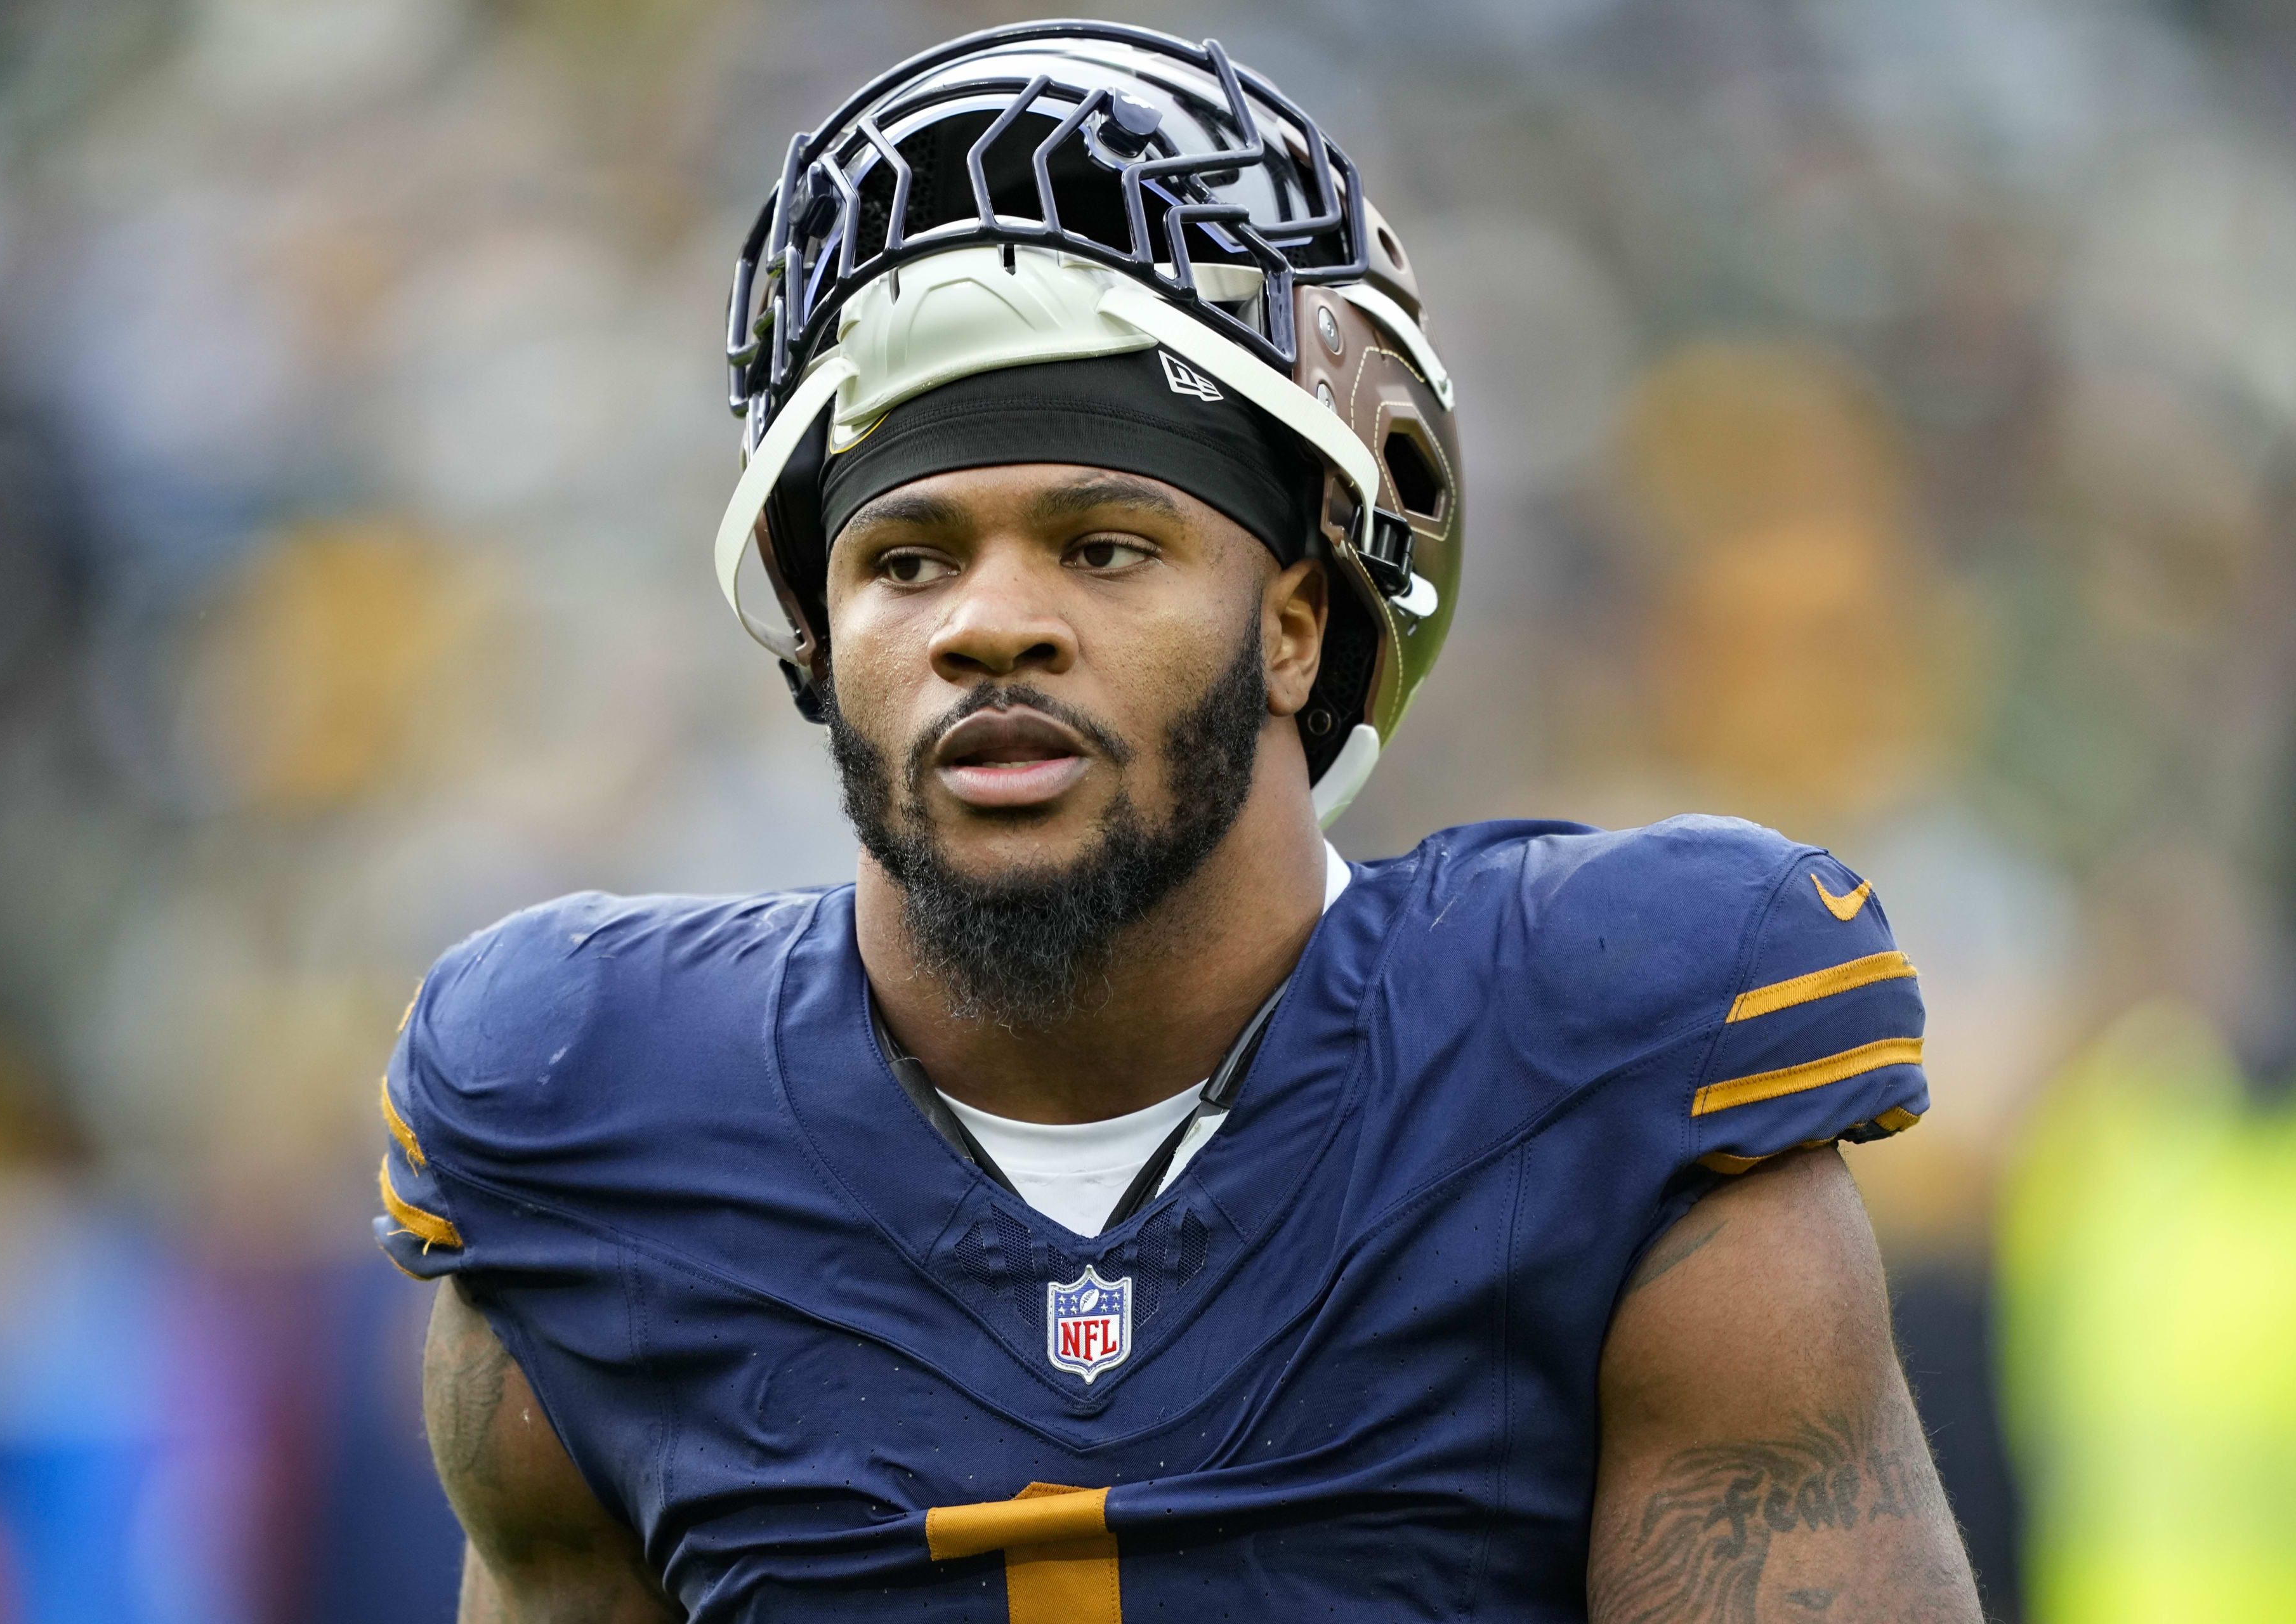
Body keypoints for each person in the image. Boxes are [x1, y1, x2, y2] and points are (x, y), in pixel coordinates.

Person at [374, 22, 1982, 1621]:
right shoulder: (582, 1116)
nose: (989, 624)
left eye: (1105, 546)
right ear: (818, 636)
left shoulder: (1606, 1056)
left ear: (1296, 626)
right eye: (909, 561)